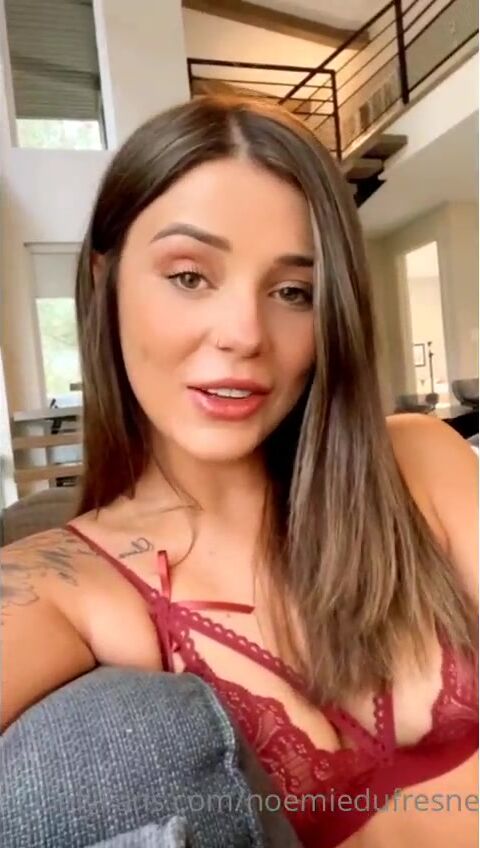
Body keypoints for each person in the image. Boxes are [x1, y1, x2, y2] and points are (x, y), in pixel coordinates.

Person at [2, 95, 477, 848]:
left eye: (293, 292)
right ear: (105, 279)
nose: (245, 334)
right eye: (191, 276)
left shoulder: (420, 462)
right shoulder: (63, 585)